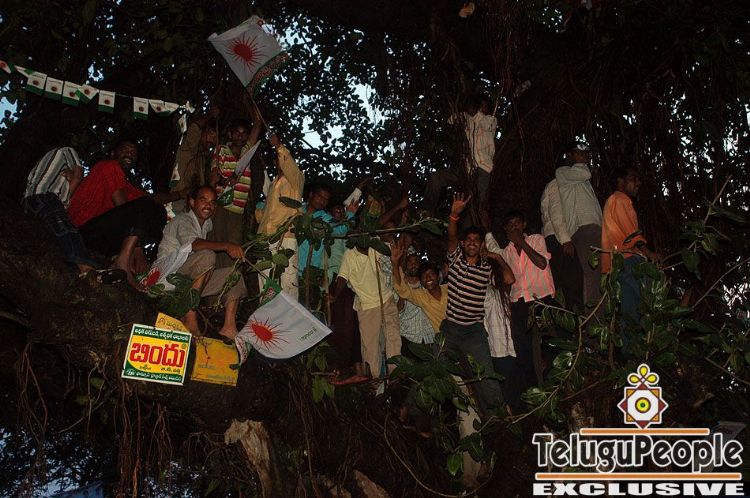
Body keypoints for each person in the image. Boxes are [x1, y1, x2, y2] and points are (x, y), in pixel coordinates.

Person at [67, 140, 182, 288]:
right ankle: (123, 262)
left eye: (134, 153)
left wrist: (181, 194)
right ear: (112, 153)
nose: (130, 153)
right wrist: (138, 250)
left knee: (158, 212)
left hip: (102, 239)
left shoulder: (125, 186)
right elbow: (126, 207)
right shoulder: (108, 166)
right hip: (81, 231)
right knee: (144, 206)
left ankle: (123, 258)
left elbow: (153, 198)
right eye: (125, 149)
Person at [442, 193, 514, 416]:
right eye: (469, 239)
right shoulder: (455, 260)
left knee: (487, 376)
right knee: (433, 368)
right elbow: (451, 237)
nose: (472, 242)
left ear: (481, 244)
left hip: (474, 332)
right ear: (463, 244)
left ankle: (500, 417)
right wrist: (454, 215)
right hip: (450, 329)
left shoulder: (486, 269)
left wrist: (497, 258)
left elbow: (509, 279)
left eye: (477, 240)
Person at [154, 186, 247, 338]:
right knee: (207, 256)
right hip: (168, 278)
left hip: (188, 282)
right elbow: (194, 244)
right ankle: (189, 317)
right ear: (192, 202)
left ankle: (229, 328)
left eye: (212, 202)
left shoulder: (207, 224)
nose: (208, 205)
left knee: (233, 275)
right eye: (203, 200)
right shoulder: (183, 220)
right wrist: (227, 246)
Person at [497, 210, 556, 407]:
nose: (514, 227)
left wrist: (522, 243)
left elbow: (541, 263)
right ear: (505, 230)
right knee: (523, 350)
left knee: (548, 343)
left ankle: (555, 384)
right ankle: (533, 393)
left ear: (523, 225)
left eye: (517, 223)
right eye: (510, 225)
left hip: (540, 298)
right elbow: (508, 281)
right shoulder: (506, 252)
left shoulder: (536, 239)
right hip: (519, 303)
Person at [23, 147, 100, 274]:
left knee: (55, 231)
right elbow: (78, 175)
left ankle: (75, 267)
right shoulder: (67, 150)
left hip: (32, 202)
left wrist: (70, 177)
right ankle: (84, 264)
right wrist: (73, 181)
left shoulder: (46, 167)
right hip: (46, 196)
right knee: (65, 227)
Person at [329, 243, 401, 379]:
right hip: (368, 305)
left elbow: (393, 259)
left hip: (387, 298)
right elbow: (342, 277)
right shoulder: (350, 255)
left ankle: (395, 376)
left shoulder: (376, 246)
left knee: (394, 339)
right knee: (370, 347)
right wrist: (335, 296)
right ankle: (373, 380)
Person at [601, 167, 660, 329]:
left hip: (617, 266)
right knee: (654, 303)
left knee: (630, 316)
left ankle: (630, 346)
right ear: (621, 181)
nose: (638, 183)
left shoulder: (612, 201)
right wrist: (649, 253)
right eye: (634, 178)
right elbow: (631, 235)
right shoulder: (619, 199)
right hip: (629, 261)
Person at [423, 94, 496, 216]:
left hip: (484, 169)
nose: (481, 109)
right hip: (466, 169)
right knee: (436, 178)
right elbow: (450, 120)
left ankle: (479, 222)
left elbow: (484, 123)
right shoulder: (466, 118)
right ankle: (426, 214)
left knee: (479, 206)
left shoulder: (491, 120)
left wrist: (474, 113)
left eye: (484, 106)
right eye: (480, 106)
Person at [210, 106, 264, 267]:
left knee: (234, 246)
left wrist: (251, 103)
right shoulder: (221, 150)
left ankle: (228, 277)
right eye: (237, 133)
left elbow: (258, 125)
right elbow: (213, 176)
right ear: (230, 134)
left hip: (238, 209)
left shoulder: (247, 151)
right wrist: (223, 181)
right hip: (221, 205)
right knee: (217, 241)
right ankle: (211, 275)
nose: (240, 136)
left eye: (244, 133)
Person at [256, 134, 305, 298]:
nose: (281, 162)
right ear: (274, 162)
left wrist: (278, 146)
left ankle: (288, 315)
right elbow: (265, 216)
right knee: (265, 284)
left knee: (288, 285)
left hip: (286, 239)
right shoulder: (272, 185)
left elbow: (288, 163)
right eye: (278, 159)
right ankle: (266, 314)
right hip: (266, 240)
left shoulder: (296, 180)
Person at [555, 141, 603, 307]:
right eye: (579, 152)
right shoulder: (563, 172)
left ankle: (599, 317)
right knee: (592, 277)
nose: (584, 156)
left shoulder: (579, 178)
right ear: (569, 155)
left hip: (594, 230)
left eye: (586, 153)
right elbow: (585, 173)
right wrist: (581, 162)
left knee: (599, 277)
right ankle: (593, 320)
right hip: (584, 231)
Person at [541, 173, 584, 310]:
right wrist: (565, 240)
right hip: (557, 238)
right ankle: (573, 318)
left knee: (562, 283)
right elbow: (556, 212)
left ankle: (565, 318)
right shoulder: (556, 184)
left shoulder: (555, 185)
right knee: (572, 283)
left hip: (554, 238)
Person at [169, 107, 220, 214]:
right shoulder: (188, 148)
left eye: (215, 137)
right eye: (211, 134)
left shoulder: (202, 158)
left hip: (193, 205)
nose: (213, 139)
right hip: (179, 201)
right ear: (202, 133)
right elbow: (195, 127)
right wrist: (210, 114)